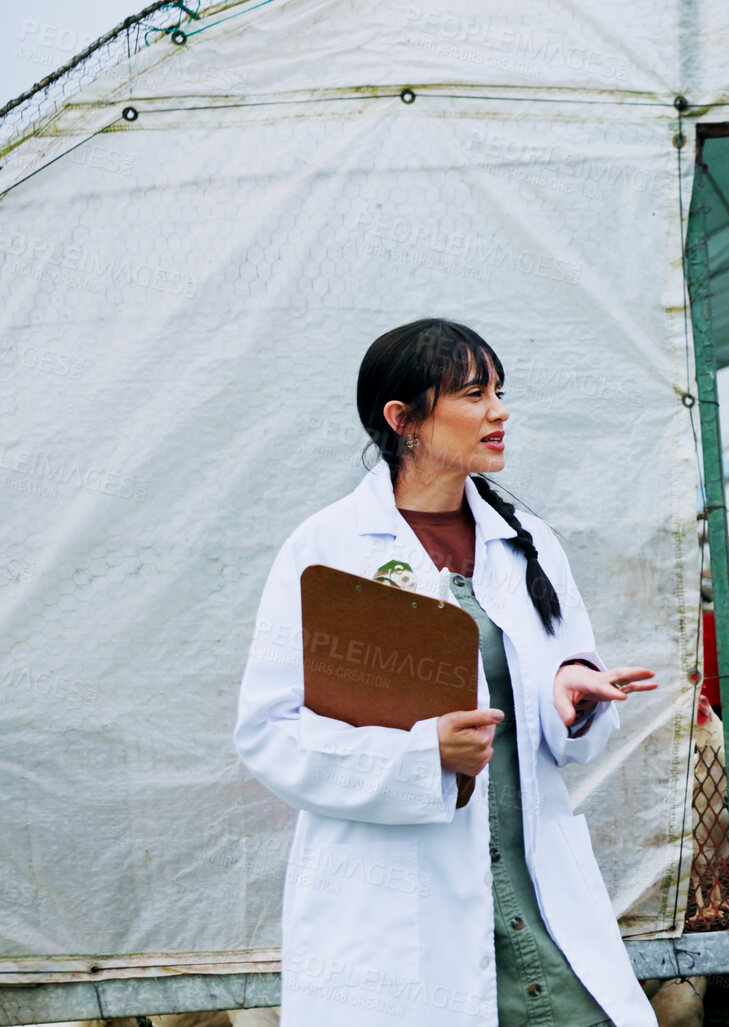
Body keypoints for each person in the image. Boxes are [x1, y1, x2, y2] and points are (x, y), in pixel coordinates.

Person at [235, 319, 661, 1026]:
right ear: (401, 419)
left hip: (532, 897)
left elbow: (563, 706)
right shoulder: (326, 550)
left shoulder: (526, 542)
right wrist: (419, 754)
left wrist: (568, 695)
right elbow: (271, 735)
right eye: (473, 393)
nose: (499, 410)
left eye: (499, 390)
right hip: (397, 916)